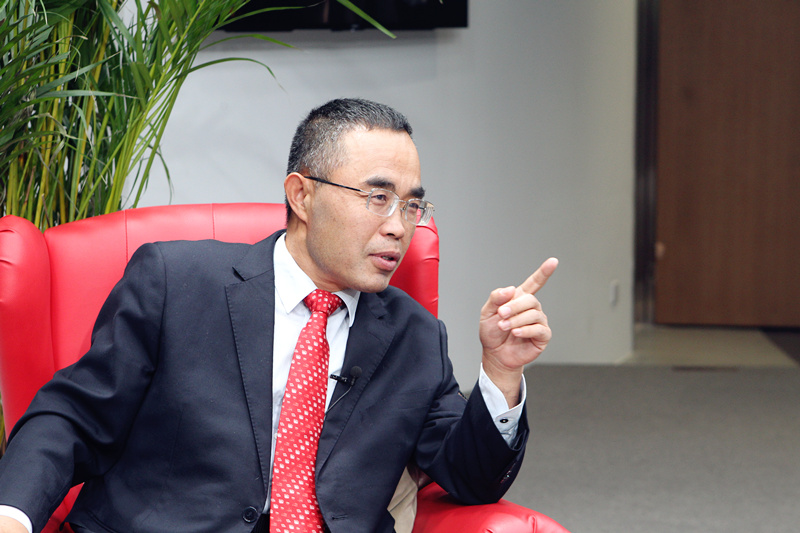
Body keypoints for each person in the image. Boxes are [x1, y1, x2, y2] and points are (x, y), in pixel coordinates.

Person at [0, 98, 557, 533]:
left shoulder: (415, 336)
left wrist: (501, 371)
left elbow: (469, 478)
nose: (398, 226)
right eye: (377, 198)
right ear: (301, 195)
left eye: (412, 205)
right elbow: (73, 418)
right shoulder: (176, 282)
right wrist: (12, 515)